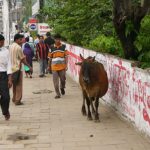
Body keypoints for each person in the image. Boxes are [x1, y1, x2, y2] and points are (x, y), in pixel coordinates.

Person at [9, 34, 33, 105]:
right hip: (17, 68)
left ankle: (14, 98)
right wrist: (29, 66)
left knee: (14, 85)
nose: (22, 41)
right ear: (16, 40)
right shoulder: (18, 48)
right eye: (21, 39)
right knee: (19, 85)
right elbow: (23, 59)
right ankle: (17, 100)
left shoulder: (10, 46)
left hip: (11, 69)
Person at [48, 34, 69, 99]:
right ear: (54, 40)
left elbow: (66, 57)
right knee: (55, 82)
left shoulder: (64, 46)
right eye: (56, 39)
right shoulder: (51, 47)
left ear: (60, 39)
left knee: (63, 80)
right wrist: (49, 66)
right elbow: (50, 58)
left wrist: (66, 65)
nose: (58, 40)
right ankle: (58, 94)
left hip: (62, 67)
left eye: (59, 39)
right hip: (54, 67)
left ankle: (62, 88)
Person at [0, 34, 12, 120]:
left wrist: (10, 79)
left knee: (6, 96)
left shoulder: (6, 51)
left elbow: (9, 65)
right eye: (1, 41)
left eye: (3, 41)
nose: (2, 43)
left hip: (3, 75)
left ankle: (5, 111)